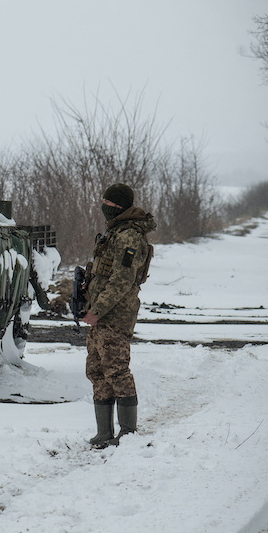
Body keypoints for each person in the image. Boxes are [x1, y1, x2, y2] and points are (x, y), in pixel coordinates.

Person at [81, 183, 156, 447]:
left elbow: (122, 279)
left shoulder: (129, 236)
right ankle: (104, 433)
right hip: (100, 315)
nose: (103, 206)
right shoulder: (114, 233)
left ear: (118, 206)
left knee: (116, 371)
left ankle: (128, 435)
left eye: (108, 203)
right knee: (97, 371)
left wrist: (98, 310)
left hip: (115, 316)